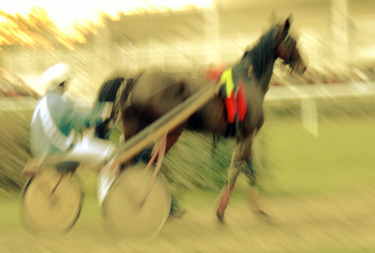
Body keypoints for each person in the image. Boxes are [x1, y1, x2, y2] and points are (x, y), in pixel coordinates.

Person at [24, 63, 116, 178]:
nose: (67, 85)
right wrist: (105, 111)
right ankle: (107, 193)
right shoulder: (60, 101)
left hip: (42, 152)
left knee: (90, 146)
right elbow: (81, 120)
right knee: (109, 151)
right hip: (60, 151)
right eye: (66, 82)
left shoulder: (41, 103)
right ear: (61, 84)